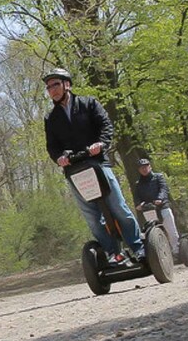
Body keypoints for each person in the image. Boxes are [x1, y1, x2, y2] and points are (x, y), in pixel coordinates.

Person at [43, 68, 146, 265]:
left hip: (98, 163)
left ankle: (137, 247)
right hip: (74, 171)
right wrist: (59, 158)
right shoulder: (51, 118)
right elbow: (52, 146)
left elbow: (106, 126)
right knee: (91, 216)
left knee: (118, 207)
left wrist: (101, 144)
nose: (52, 90)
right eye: (48, 88)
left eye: (55, 84)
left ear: (67, 84)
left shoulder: (89, 104)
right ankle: (112, 253)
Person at [134, 158, 180, 254]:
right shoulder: (138, 184)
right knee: (155, 233)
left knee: (171, 231)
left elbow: (164, 189)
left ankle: (176, 251)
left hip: (163, 207)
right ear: (139, 170)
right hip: (149, 210)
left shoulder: (159, 177)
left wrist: (160, 198)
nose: (144, 169)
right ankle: (164, 254)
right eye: (141, 168)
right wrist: (138, 204)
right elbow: (137, 196)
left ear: (150, 167)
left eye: (146, 166)